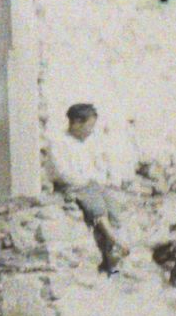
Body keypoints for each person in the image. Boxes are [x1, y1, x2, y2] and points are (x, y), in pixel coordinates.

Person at [45, 103, 130, 275]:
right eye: (89, 126)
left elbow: (96, 165)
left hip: (89, 184)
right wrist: (84, 181)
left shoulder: (88, 143)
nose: (91, 130)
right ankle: (113, 239)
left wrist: (99, 179)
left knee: (112, 203)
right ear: (76, 123)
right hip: (70, 185)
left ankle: (113, 256)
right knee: (95, 203)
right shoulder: (58, 142)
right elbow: (60, 171)